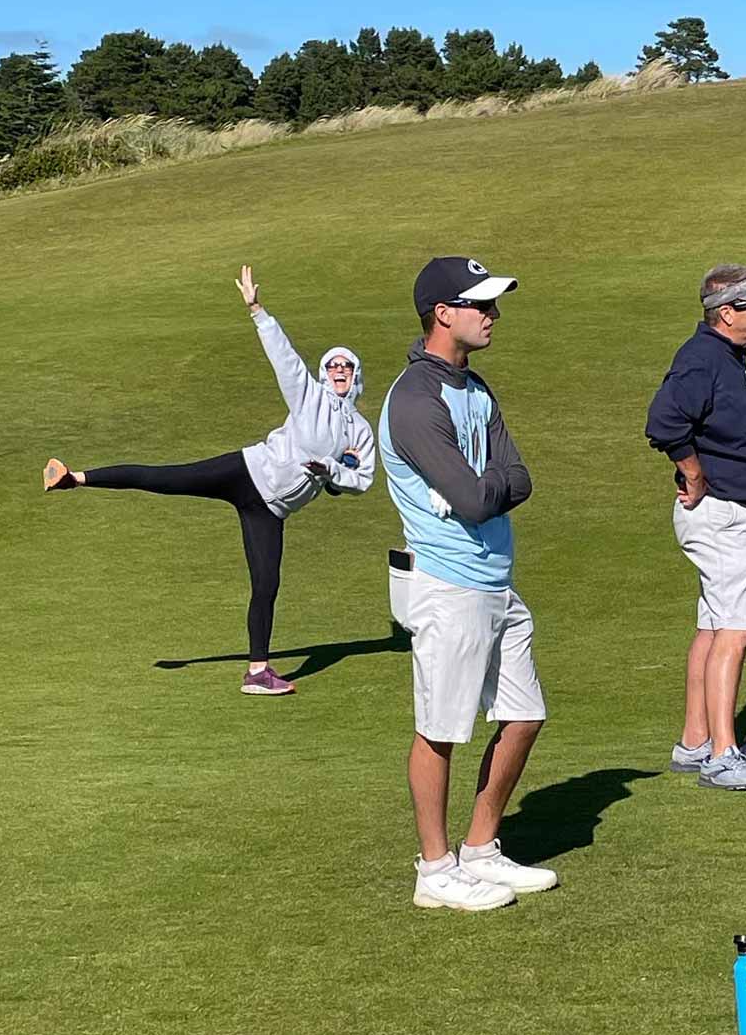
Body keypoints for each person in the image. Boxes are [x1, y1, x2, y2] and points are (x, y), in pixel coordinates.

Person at [42, 265, 375, 696]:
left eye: (347, 365)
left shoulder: (360, 431)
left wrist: (333, 473)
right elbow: (285, 357)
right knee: (167, 478)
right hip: (247, 472)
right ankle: (75, 478)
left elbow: (363, 480)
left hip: (270, 510)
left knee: (267, 585)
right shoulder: (309, 396)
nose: (339, 370)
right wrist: (257, 309)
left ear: (356, 374)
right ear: (324, 372)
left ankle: (257, 673)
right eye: (332, 365)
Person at [379, 256, 555, 911]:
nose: (493, 315)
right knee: (440, 728)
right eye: (480, 305)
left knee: (525, 716)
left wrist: (491, 486)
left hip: (495, 582)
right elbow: (477, 499)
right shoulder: (414, 401)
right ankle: (434, 870)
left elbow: (517, 478)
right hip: (447, 585)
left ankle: (480, 849)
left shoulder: (476, 390)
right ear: (442, 312)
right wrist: (491, 487)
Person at [645, 263, 746, 790]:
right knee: (735, 631)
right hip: (728, 518)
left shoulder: (722, 357)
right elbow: (663, 422)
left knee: (713, 627)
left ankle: (695, 741)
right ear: (726, 313)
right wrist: (693, 471)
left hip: (732, 515)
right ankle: (723, 755)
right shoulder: (702, 358)